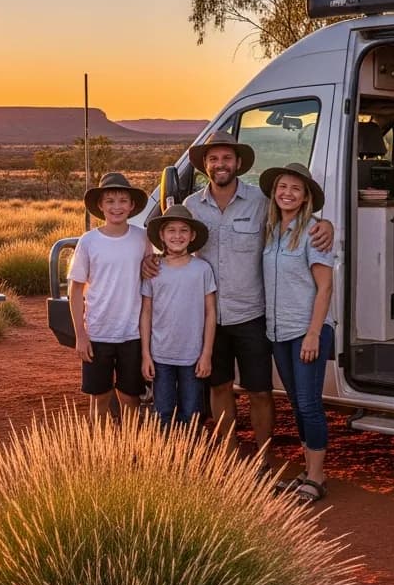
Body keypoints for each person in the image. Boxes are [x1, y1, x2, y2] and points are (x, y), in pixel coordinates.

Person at [145, 130, 334, 473]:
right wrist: (153, 257)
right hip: (209, 319)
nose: (221, 164)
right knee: (219, 388)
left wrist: (326, 225)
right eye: (214, 159)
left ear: (239, 163)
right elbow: (177, 243)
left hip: (252, 314)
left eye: (227, 158)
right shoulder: (191, 206)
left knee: (259, 391)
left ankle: (263, 458)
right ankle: (230, 457)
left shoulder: (260, 202)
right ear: (204, 165)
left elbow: (293, 222)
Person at [259, 162, 334, 504]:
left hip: (306, 332)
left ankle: (317, 477)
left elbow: (325, 287)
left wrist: (314, 333)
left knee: (309, 404)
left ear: (305, 198)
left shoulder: (314, 232)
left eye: (295, 189)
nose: (287, 193)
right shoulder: (272, 230)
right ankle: (306, 470)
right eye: (282, 187)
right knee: (296, 404)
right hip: (279, 332)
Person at [68, 171, 150, 419]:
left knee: (130, 396)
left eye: (123, 201)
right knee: (100, 396)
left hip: (132, 333)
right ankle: (99, 450)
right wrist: (81, 336)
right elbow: (75, 289)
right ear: (101, 206)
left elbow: (150, 275)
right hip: (98, 332)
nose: (117, 207)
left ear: (132, 205)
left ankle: (132, 450)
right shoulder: (89, 241)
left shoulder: (142, 238)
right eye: (110, 201)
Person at [139, 206, 216, 427]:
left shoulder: (202, 269)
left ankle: (189, 457)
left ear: (192, 236)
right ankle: (166, 458)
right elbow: (146, 312)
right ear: (161, 235)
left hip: (192, 356)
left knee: (191, 412)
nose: (177, 236)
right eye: (171, 230)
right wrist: (146, 354)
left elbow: (210, 313)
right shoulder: (154, 270)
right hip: (161, 355)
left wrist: (206, 354)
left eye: (184, 230)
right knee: (162, 412)